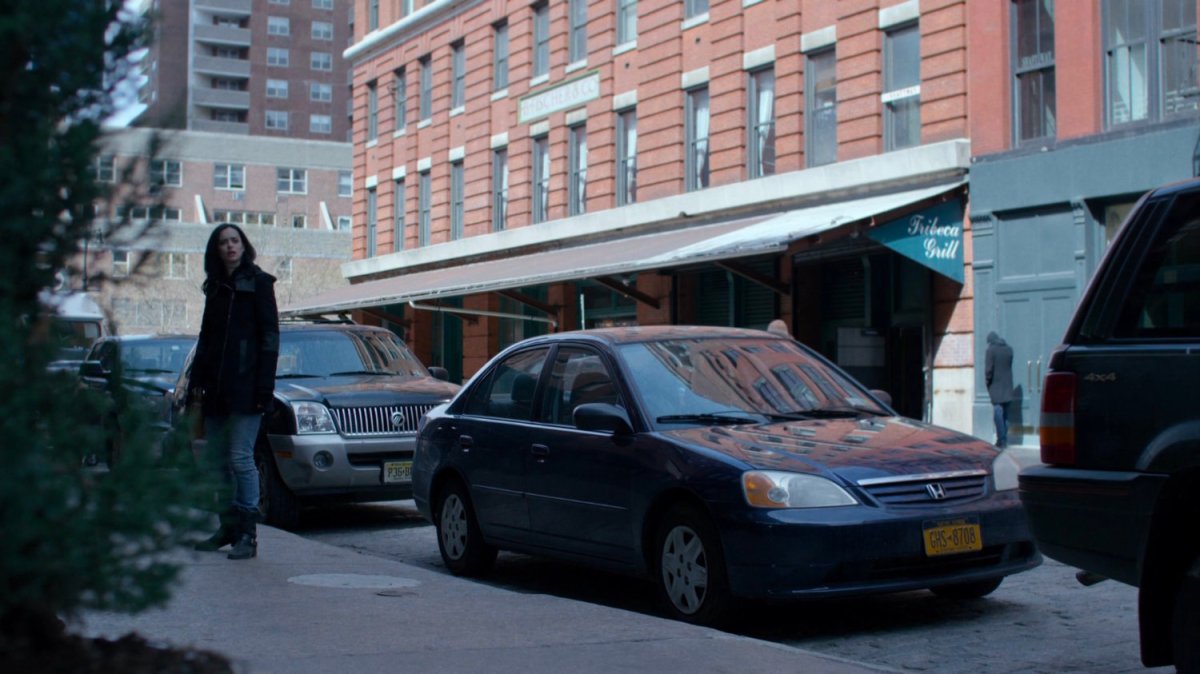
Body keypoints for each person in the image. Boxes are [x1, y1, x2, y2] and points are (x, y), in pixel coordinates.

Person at [189, 223, 279, 560]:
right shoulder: (215, 287)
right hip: (215, 388)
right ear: (216, 250)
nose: (230, 247)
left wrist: (264, 388)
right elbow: (205, 339)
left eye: (235, 241)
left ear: (244, 245)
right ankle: (227, 526)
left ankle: (248, 534)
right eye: (224, 242)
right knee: (216, 461)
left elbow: (270, 339)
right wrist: (196, 384)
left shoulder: (259, 284)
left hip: (246, 387)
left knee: (242, 458)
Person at [985, 331, 1015, 448]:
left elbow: (988, 371)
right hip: (1008, 387)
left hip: (996, 387)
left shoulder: (990, 351)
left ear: (990, 341)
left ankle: (1001, 440)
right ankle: (1004, 439)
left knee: (998, 413)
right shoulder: (1009, 349)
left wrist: (988, 383)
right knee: (1005, 415)